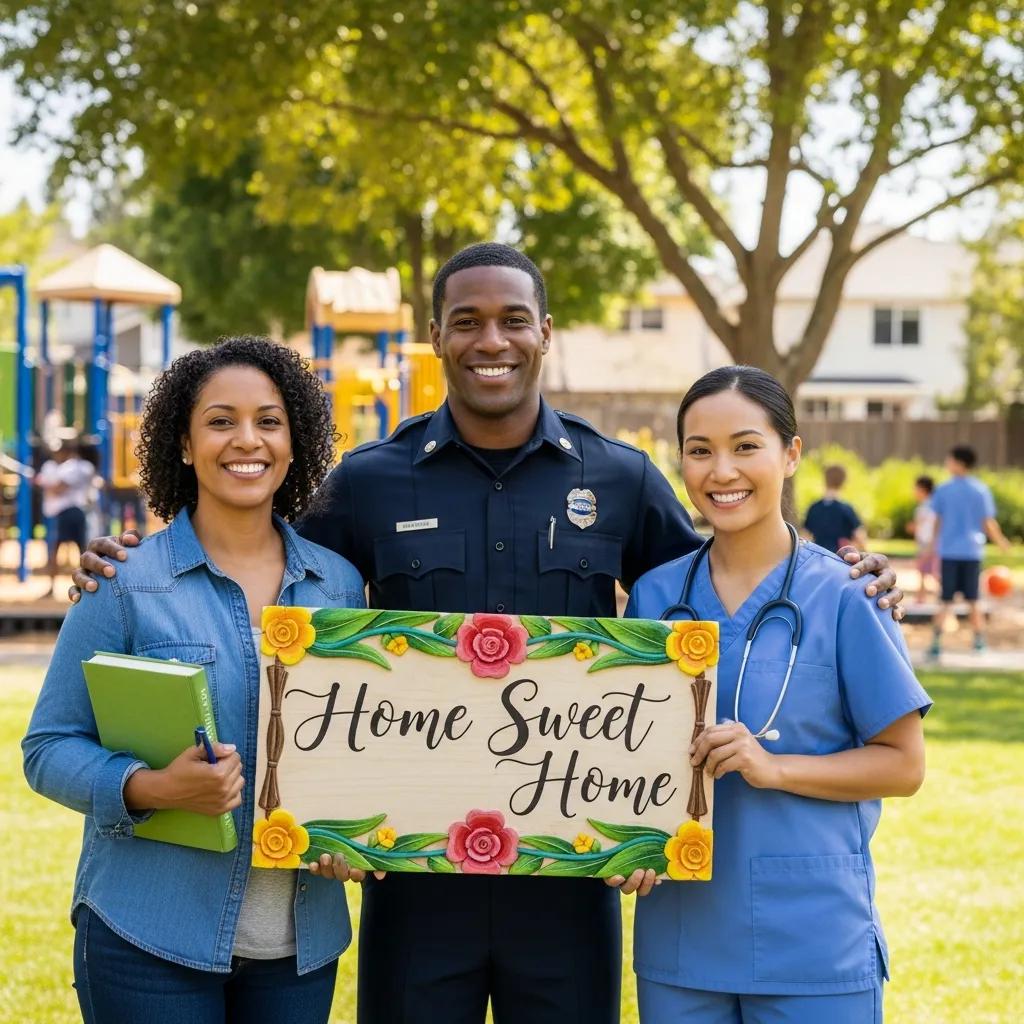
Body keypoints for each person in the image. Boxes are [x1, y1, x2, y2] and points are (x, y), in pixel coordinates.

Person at [70, 245, 903, 1024]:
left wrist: (850, 576)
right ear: (435, 338)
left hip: (569, 882)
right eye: (465, 321)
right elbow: (258, 550)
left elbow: (722, 586)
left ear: (546, 332)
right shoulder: (369, 481)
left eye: (512, 319)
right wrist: (135, 552)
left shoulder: (617, 476)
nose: (490, 339)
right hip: (416, 886)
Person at [24, 337, 368, 1024]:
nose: (248, 440)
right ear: (183, 444)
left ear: (295, 441)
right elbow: (48, 746)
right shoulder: (124, 582)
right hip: (147, 937)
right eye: (220, 421)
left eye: (269, 421)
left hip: (299, 951)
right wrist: (150, 788)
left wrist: (357, 834)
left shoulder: (341, 584)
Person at [625, 365, 929, 1024]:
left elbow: (904, 765)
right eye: (700, 451)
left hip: (814, 945)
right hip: (680, 945)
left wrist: (775, 767)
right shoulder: (654, 598)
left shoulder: (849, 595)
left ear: (791, 454)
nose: (721, 471)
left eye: (745, 446)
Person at [926, 445, 1010, 656]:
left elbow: (937, 521)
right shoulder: (980, 490)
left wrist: (932, 544)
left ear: (959, 463)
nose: (947, 463)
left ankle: (936, 644)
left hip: (950, 553)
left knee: (945, 599)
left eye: (949, 460)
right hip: (972, 552)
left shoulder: (944, 490)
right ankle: (979, 642)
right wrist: (1001, 542)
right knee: (974, 600)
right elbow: (988, 522)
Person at [35, 437, 98, 597]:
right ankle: (58, 587)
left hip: (72, 512)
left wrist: (44, 483)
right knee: (70, 549)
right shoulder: (66, 467)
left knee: (78, 551)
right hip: (66, 513)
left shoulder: (77, 467)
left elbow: (58, 488)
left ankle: (87, 585)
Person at [802, 463, 866, 554]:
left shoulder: (814, 508)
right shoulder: (846, 509)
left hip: (818, 557)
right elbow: (860, 537)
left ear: (825, 480)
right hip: (839, 558)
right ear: (843, 482)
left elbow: (805, 537)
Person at [909, 475, 938, 602]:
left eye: (916, 489)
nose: (914, 492)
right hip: (927, 541)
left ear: (922, 489)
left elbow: (924, 525)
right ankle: (921, 596)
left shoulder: (927, 507)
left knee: (927, 569)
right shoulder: (930, 506)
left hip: (929, 542)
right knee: (925, 570)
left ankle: (922, 597)